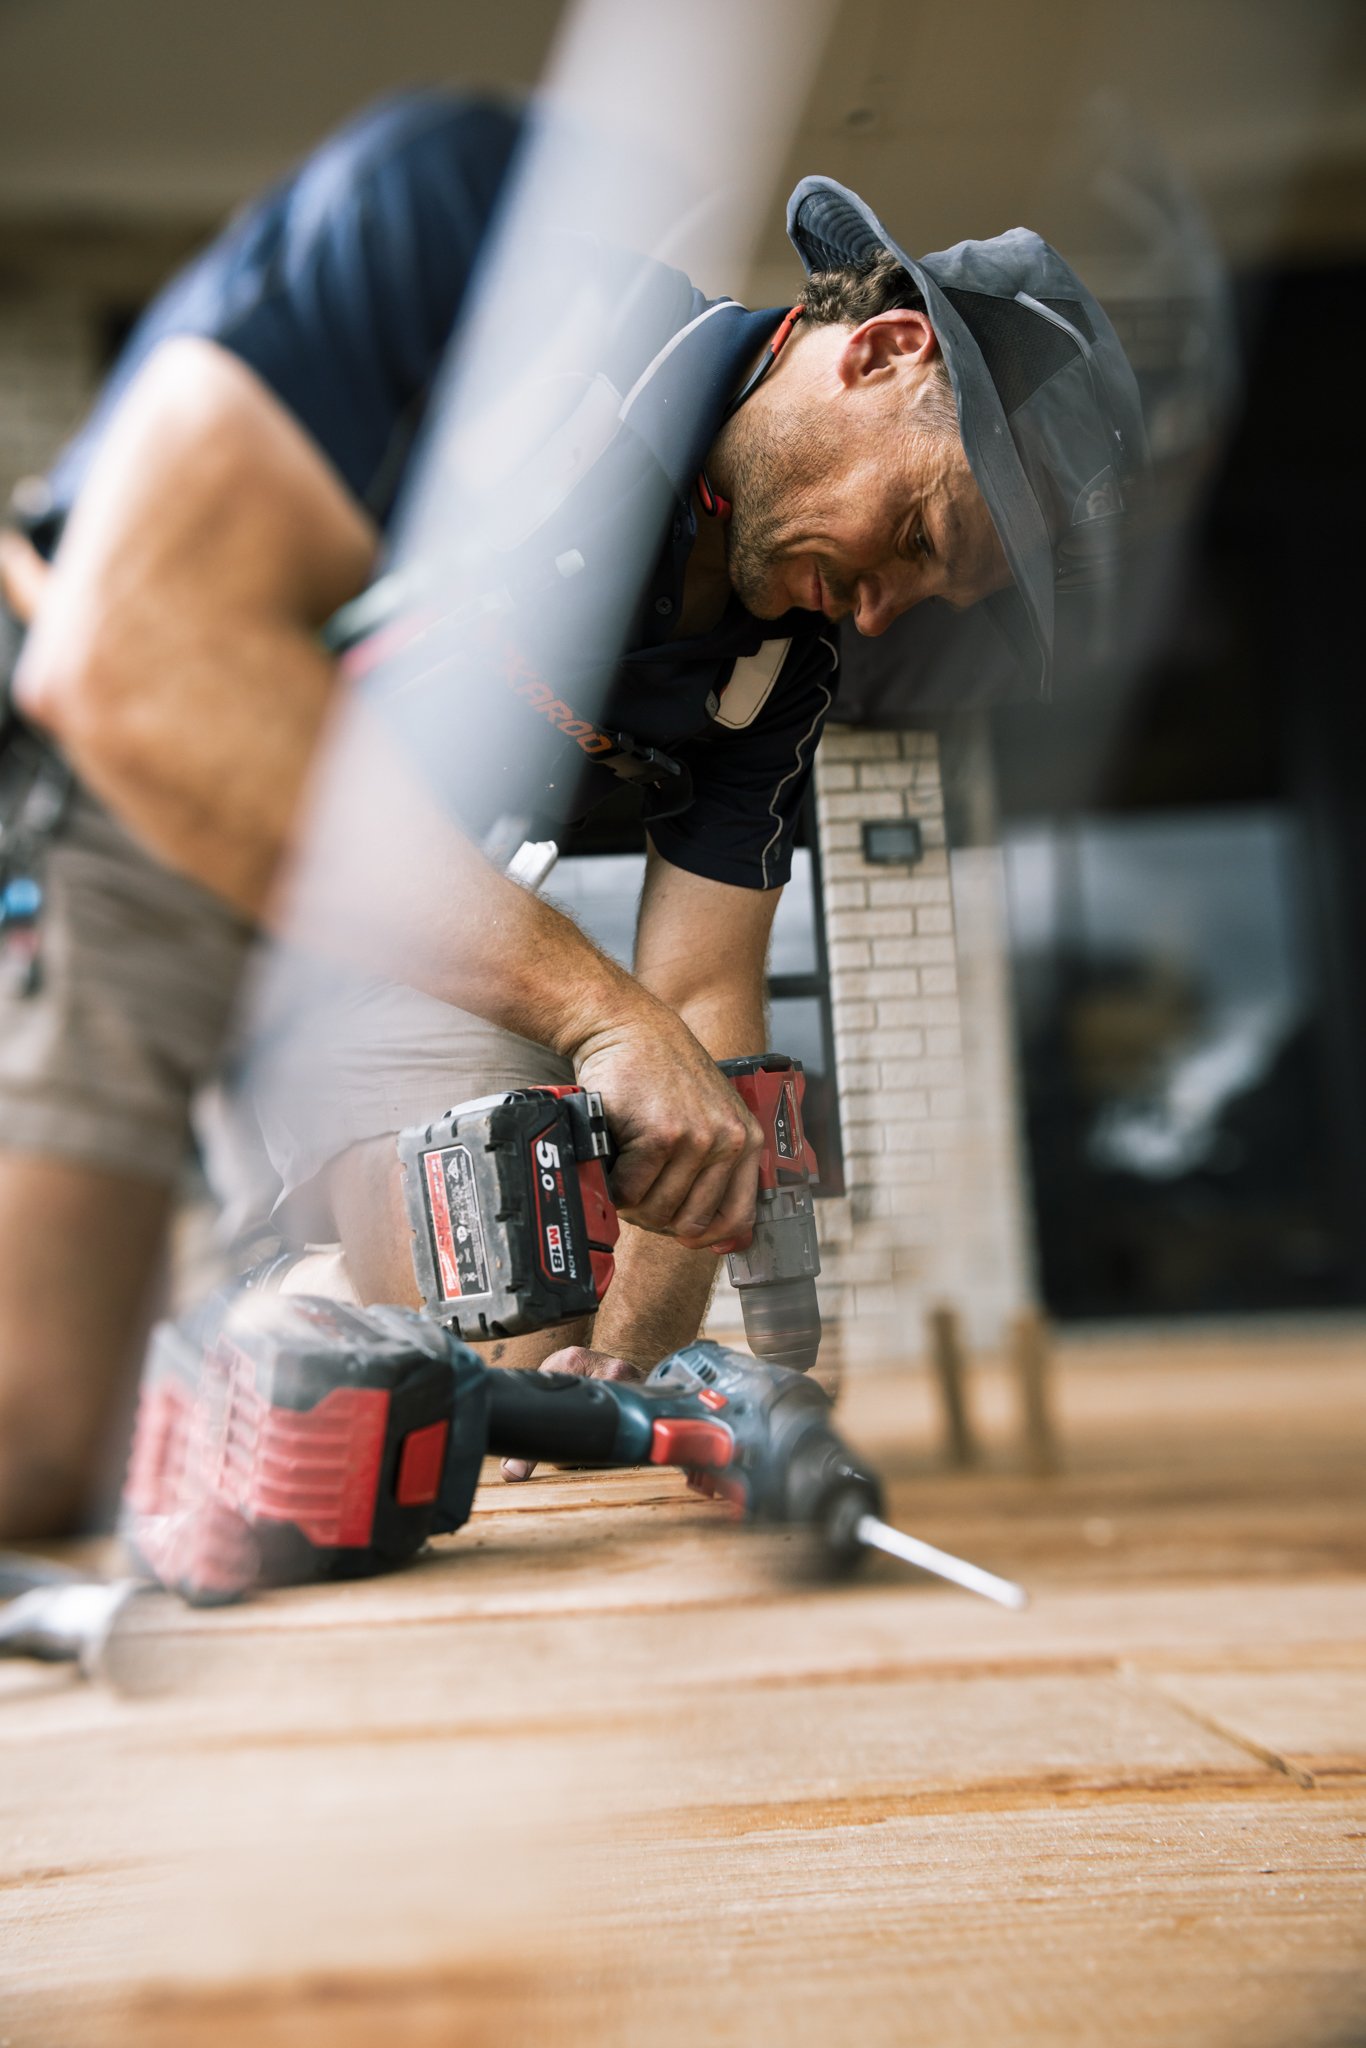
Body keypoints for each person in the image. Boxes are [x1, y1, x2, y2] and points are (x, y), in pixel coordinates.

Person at [0, 91, 1146, 1534]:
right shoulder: (494, 266)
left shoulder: (768, 666)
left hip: (370, 907)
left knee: (508, 1338)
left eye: (925, 591)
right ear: (884, 349)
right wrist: (601, 1017)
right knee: (32, 1446)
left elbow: (701, 1007)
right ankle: (211, 1345)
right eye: (915, 535)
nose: (879, 605)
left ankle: (268, 1326)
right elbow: (134, 657)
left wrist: (626, 1365)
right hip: (108, 800)